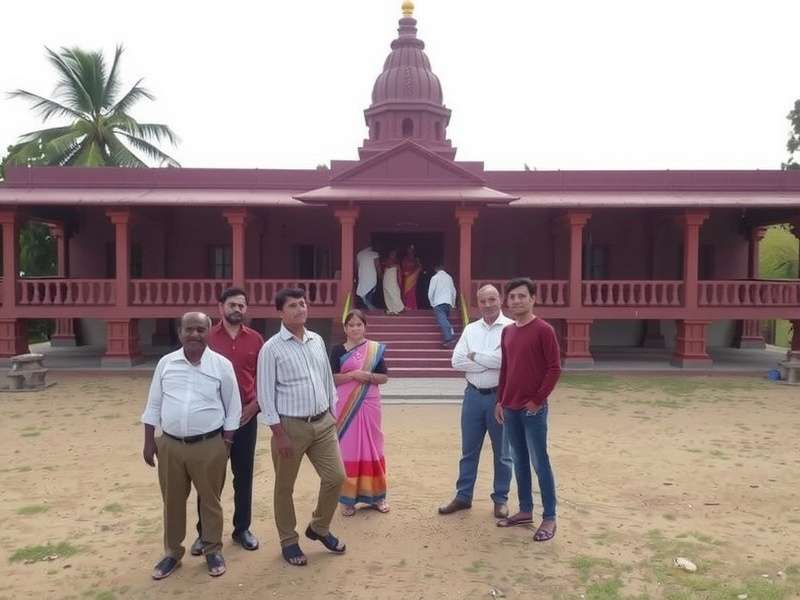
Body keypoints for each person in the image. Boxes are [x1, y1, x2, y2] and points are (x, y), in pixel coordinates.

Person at [141, 312, 242, 580]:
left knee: (210, 501)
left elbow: (233, 407)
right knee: (172, 502)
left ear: (209, 332)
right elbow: (153, 404)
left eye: (200, 329)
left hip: (210, 445)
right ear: (180, 332)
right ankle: (172, 553)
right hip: (170, 446)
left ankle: (212, 550)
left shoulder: (221, 365)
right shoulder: (166, 363)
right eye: (189, 329)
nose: (194, 334)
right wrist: (149, 442)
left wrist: (227, 443)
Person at [257, 287, 347, 566]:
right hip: (290, 428)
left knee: (336, 478)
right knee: (285, 487)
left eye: (303, 303)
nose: (300, 309)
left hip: (322, 423)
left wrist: (332, 412)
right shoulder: (271, 348)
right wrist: (278, 432)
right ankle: (289, 540)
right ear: (281, 312)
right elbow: (265, 393)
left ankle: (319, 527)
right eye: (293, 305)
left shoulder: (317, 340)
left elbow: (326, 380)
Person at [189, 287, 264, 556]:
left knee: (243, 476)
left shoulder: (256, 340)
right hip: (212, 420)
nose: (237, 310)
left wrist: (255, 406)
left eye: (242, 306)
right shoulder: (206, 337)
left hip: (245, 418)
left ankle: (242, 528)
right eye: (232, 304)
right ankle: (204, 533)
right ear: (220, 307)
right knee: (209, 479)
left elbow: (263, 379)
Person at [494, 278, 561, 542]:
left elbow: (554, 368)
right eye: (512, 297)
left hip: (532, 409)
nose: (516, 301)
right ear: (507, 302)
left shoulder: (544, 330)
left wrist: (537, 400)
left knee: (539, 461)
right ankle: (524, 509)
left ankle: (550, 516)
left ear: (533, 298)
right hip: (509, 407)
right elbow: (506, 368)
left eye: (522, 296)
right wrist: (500, 399)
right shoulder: (508, 331)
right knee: (519, 460)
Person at [439, 285, 513, 518]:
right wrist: (490, 361)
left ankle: (500, 499)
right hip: (472, 396)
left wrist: (476, 357)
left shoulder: (511, 328)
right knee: (468, 450)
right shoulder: (470, 329)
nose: (488, 304)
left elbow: (507, 361)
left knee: (503, 452)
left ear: (500, 300)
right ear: (477, 303)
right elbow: (456, 361)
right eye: (483, 301)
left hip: (500, 397)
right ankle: (463, 496)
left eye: (492, 299)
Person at [329, 309, 390, 516]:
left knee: (373, 447)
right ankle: (348, 499)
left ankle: (377, 497)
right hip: (346, 405)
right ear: (345, 328)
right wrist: (353, 375)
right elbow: (332, 378)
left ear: (365, 327)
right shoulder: (337, 350)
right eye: (351, 325)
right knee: (349, 449)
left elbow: (384, 377)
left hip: (369, 402)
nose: (355, 328)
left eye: (359, 324)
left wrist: (367, 376)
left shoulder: (374, 350)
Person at [428, 264, 457, 348]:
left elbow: (431, 292)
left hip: (438, 302)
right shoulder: (449, 277)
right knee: (445, 319)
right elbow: (453, 291)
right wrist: (453, 303)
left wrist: (431, 303)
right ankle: (450, 333)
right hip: (448, 302)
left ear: (436, 269)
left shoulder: (435, 278)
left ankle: (449, 339)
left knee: (442, 320)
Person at [356, 245, 381, 310]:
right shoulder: (375, 254)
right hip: (371, 278)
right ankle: (371, 309)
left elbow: (358, 267)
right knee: (369, 295)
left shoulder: (359, 254)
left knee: (364, 294)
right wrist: (381, 276)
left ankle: (366, 309)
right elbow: (377, 266)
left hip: (362, 277)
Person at [382, 249, 405, 315]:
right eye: (391, 253)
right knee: (387, 295)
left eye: (394, 254)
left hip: (393, 282)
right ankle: (391, 309)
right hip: (386, 281)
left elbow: (399, 274)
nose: (392, 255)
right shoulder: (386, 262)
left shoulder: (397, 265)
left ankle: (400, 308)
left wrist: (400, 282)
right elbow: (385, 270)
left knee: (395, 294)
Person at [400, 244, 422, 310]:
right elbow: (402, 268)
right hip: (407, 278)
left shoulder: (416, 259)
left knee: (412, 292)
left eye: (412, 250)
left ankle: (413, 306)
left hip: (413, 278)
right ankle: (407, 305)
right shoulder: (405, 258)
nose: (410, 251)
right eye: (409, 250)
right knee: (406, 292)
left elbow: (420, 268)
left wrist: (418, 262)